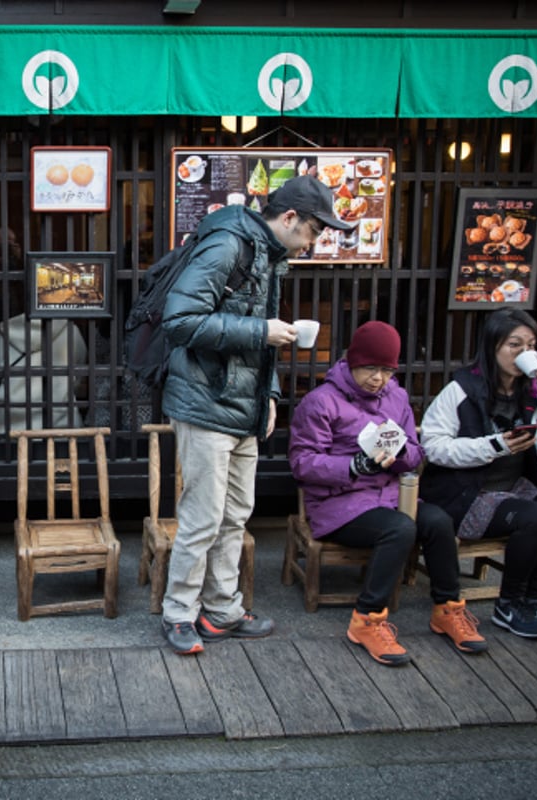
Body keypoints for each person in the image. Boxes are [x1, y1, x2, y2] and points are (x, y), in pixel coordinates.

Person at [159, 175, 355, 655]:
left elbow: (261, 337)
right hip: (204, 401)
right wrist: (260, 331)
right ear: (289, 218)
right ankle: (179, 613)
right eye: (314, 231)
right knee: (202, 517)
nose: (314, 243)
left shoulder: (269, 254)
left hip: (244, 405)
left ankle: (222, 609)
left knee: (235, 515)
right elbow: (179, 321)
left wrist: (268, 394)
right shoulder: (228, 244)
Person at [289, 321, 487, 666]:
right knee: (399, 528)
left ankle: (447, 608)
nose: (377, 378)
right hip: (339, 503)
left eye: (385, 370)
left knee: (439, 521)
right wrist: (353, 466)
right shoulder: (321, 401)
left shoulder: (396, 397)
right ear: (352, 361)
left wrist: (400, 457)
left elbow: (415, 451)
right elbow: (302, 463)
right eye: (370, 368)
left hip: (390, 495)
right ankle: (366, 619)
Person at [420, 308, 537, 640]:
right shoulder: (461, 388)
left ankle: (535, 601)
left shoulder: (532, 390)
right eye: (514, 345)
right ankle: (508, 604)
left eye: (531, 346)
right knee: (535, 517)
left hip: (514, 489)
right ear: (493, 346)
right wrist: (493, 446)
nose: (523, 353)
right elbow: (432, 446)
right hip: (465, 495)